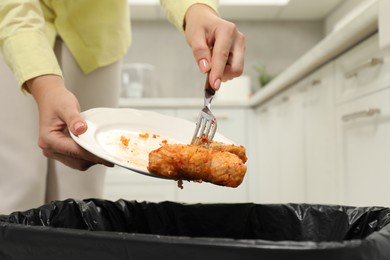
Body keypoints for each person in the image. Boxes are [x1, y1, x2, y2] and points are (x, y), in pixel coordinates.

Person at [0, 0, 245, 214]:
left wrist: (197, 9)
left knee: (83, 189)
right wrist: (45, 85)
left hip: (98, 34)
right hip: (15, 31)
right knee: (21, 181)